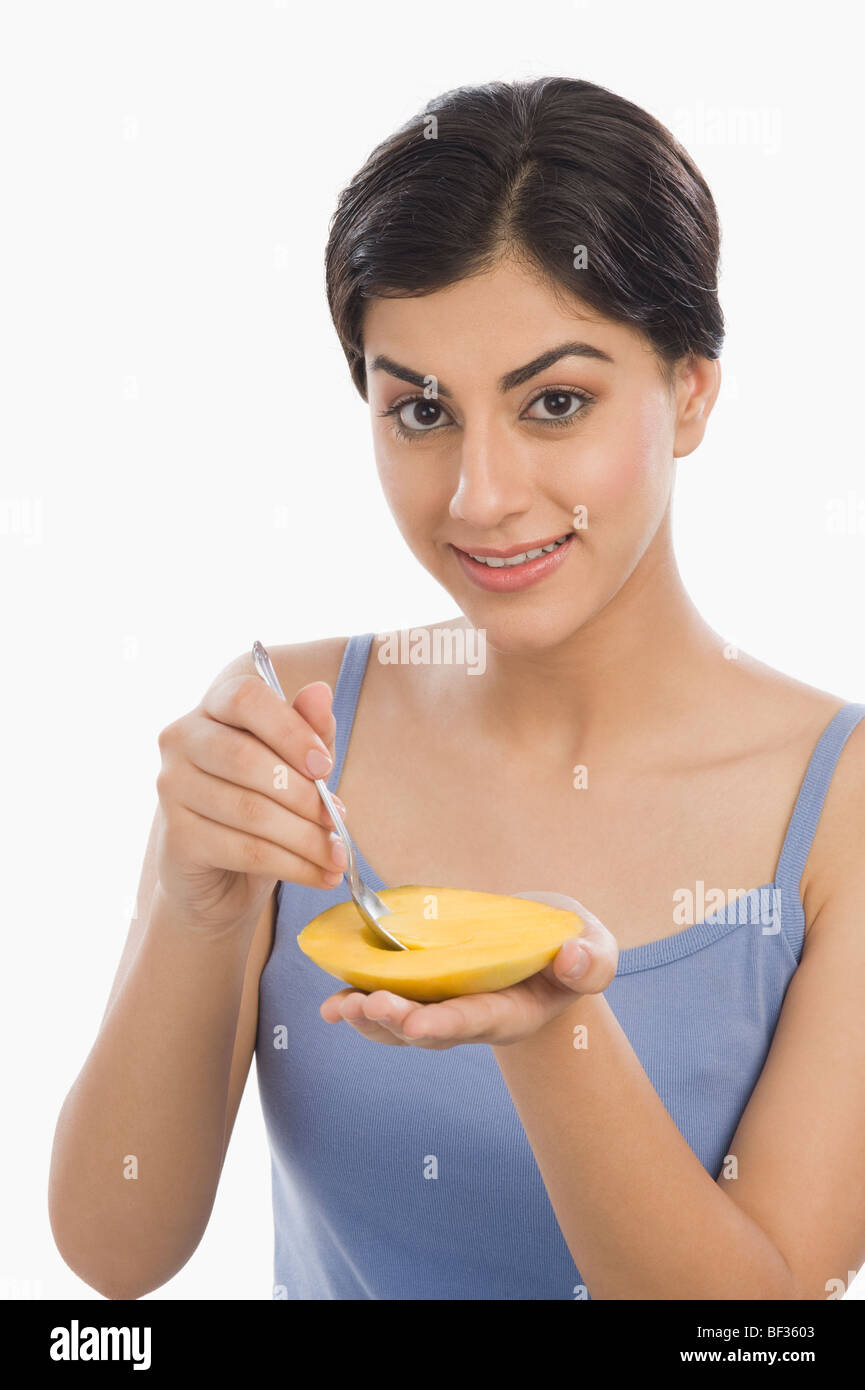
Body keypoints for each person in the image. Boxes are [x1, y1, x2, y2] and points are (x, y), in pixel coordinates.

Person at [49, 76, 865, 1301]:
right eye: (420, 409)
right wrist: (196, 897)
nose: (479, 495)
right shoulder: (289, 732)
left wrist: (554, 1029)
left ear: (690, 388)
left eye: (555, 403)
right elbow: (116, 1253)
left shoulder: (841, 812)